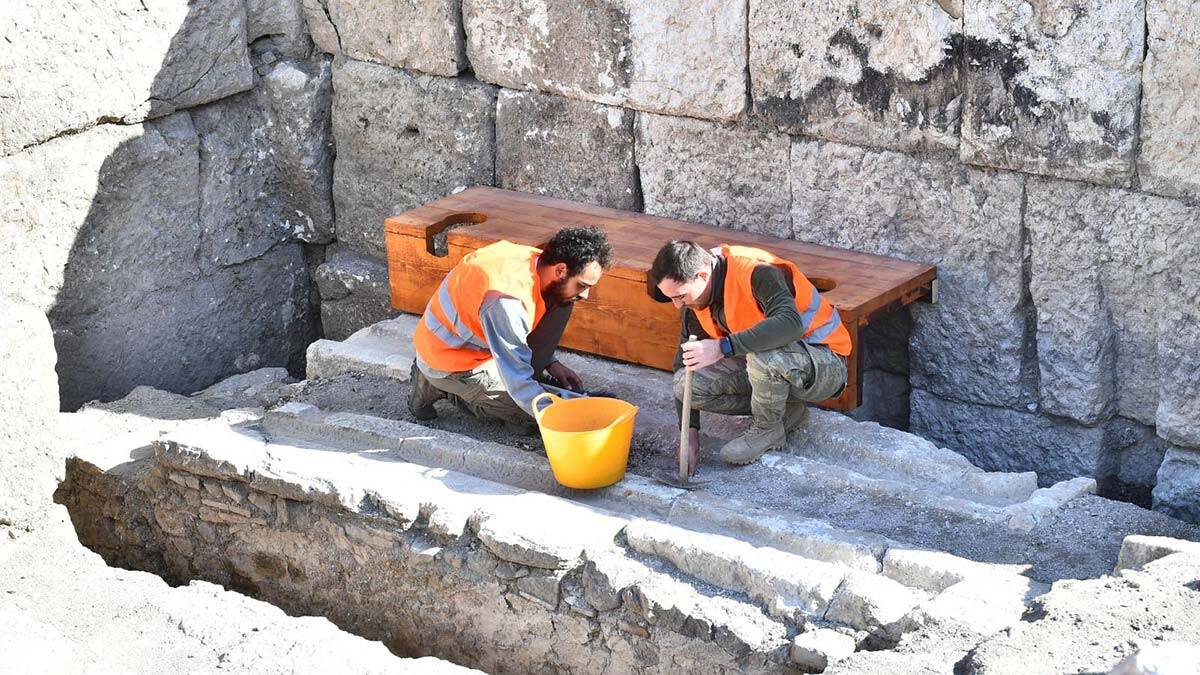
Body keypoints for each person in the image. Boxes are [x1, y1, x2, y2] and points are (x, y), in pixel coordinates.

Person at [647, 240, 851, 473]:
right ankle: (786, 412)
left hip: (825, 363)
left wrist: (722, 347)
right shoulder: (695, 299)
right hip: (768, 363)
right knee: (684, 385)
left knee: (764, 355)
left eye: (680, 296)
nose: (677, 305)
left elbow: (791, 324)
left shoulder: (757, 271)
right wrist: (689, 432)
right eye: (672, 298)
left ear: (702, 276)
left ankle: (768, 429)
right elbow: (683, 364)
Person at [408, 226, 613, 434]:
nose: (585, 295)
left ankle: (527, 388)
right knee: (530, 417)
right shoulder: (506, 301)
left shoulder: (538, 261)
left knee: (564, 300)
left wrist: (550, 362)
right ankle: (436, 385)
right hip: (448, 359)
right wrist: (563, 418)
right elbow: (518, 383)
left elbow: (527, 323)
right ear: (560, 270)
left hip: (478, 341)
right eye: (582, 285)